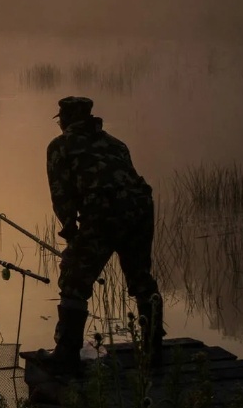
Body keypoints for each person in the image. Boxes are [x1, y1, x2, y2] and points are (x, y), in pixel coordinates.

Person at [42, 96, 165, 376]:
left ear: (66, 119)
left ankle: (66, 354)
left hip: (103, 211)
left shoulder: (60, 146)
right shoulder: (116, 144)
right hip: (140, 209)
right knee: (140, 277)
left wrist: (71, 231)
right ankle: (153, 350)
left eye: (60, 118)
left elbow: (60, 194)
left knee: (74, 279)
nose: (59, 123)